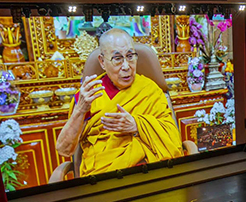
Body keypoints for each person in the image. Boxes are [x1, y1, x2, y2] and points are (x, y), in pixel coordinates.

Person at [54, 28, 181, 176]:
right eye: (117, 59)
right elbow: (64, 149)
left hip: (146, 173)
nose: (126, 66)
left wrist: (137, 125)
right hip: (101, 178)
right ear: (102, 61)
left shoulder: (150, 90)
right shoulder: (88, 96)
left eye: (130, 56)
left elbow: (173, 140)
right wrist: (80, 110)